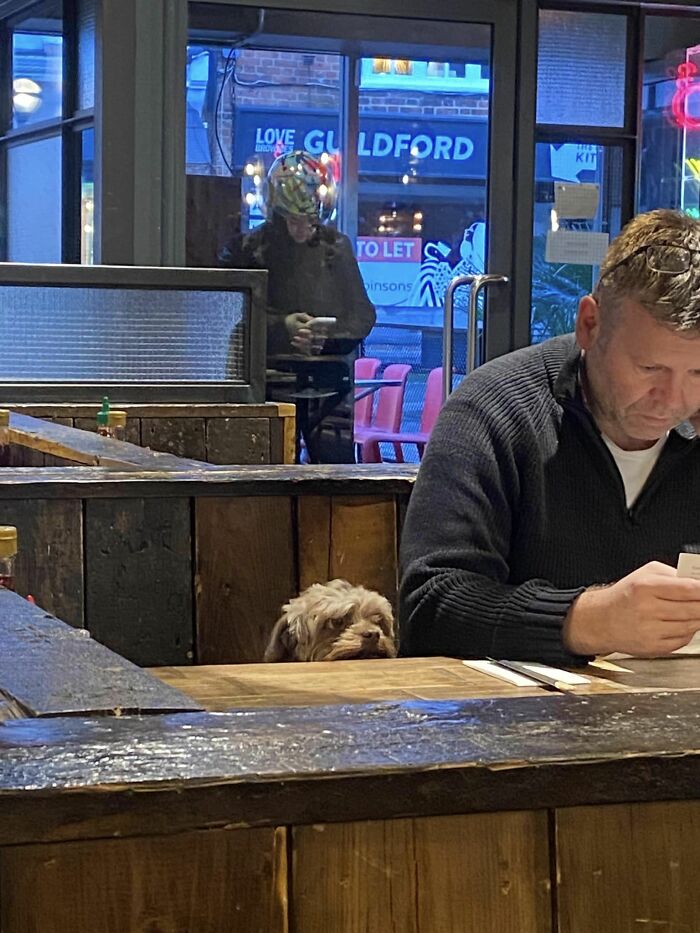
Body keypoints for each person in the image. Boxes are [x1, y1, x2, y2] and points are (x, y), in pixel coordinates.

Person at [399, 209, 700, 665]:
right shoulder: (495, 408)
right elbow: (430, 607)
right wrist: (587, 620)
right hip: (521, 708)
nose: (672, 400)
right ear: (589, 324)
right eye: (649, 368)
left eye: (697, 373)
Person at [219, 150, 375, 462]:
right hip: (268, 382)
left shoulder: (336, 248)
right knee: (267, 470)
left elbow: (363, 316)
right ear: (277, 214)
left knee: (335, 476)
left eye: (310, 222)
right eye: (293, 221)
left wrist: (326, 338)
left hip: (329, 384)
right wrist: (283, 326)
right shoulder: (250, 249)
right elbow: (230, 316)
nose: (303, 230)